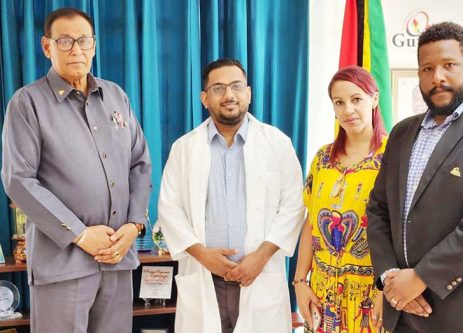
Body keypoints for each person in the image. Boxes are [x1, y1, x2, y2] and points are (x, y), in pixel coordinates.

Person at [1, 8, 152, 333]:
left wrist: (134, 226)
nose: (76, 50)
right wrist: (80, 234)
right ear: (46, 46)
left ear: (94, 45)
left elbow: (139, 162)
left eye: (83, 41)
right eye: (65, 41)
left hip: (116, 257)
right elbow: (18, 180)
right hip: (63, 264)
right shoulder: (27, 103)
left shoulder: (116, 96)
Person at [367, 22, 463, 333]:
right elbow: (377, 209)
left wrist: (420, 278)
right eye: (427, 69)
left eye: (448, 65)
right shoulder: (403, 132)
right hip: (401, 308)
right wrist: (390, 275)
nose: (437, 78)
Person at [157, 58, 305, 333]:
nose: (229, 95)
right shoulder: (184, 148)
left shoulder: (277, 144)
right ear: (204, 98)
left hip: (258, 276)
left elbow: (294, 206)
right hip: (205, 277)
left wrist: (260, 256)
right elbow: (169, 209)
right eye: (218, 88)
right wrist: (202, 255)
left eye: (236, 86)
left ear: (248, 93)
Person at [294, 66, 387, 333]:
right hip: (322, 296)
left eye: (356, 99)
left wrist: (385, 288)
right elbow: (311, 222)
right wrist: (300, 282)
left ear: (374, 99)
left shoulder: (392, 157)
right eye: (339, 102)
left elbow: (404, 231)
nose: (348, 110)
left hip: (371, 297)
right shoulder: (322, 158)